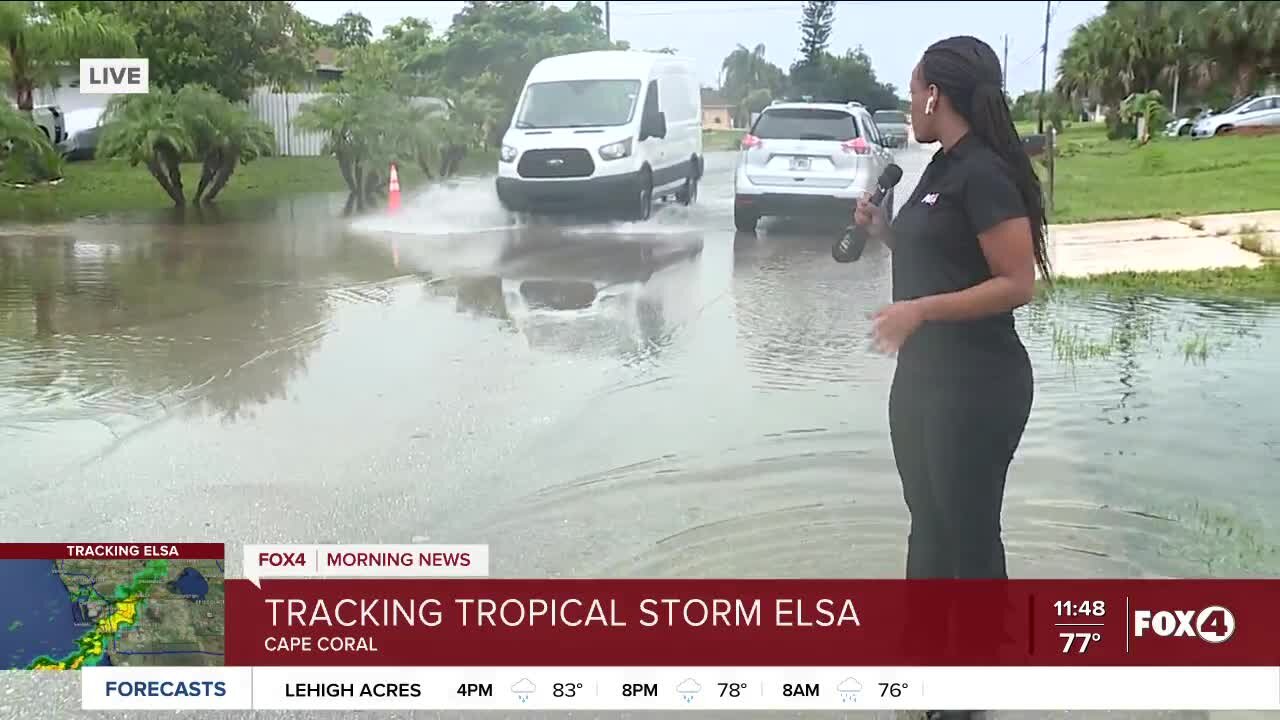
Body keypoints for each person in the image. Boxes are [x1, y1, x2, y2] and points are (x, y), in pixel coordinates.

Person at [855, 35, 1049, 583]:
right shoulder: (941, 167)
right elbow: (945, 256)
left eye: (913, 91)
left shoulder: (985, 172)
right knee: (929, 528)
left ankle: (988, 657)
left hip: (977, 385)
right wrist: (885, 234)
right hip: (923, 380)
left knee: (969, 536)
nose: (911, 103)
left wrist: (918, 312)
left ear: (935, 94)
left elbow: (1016, 283)